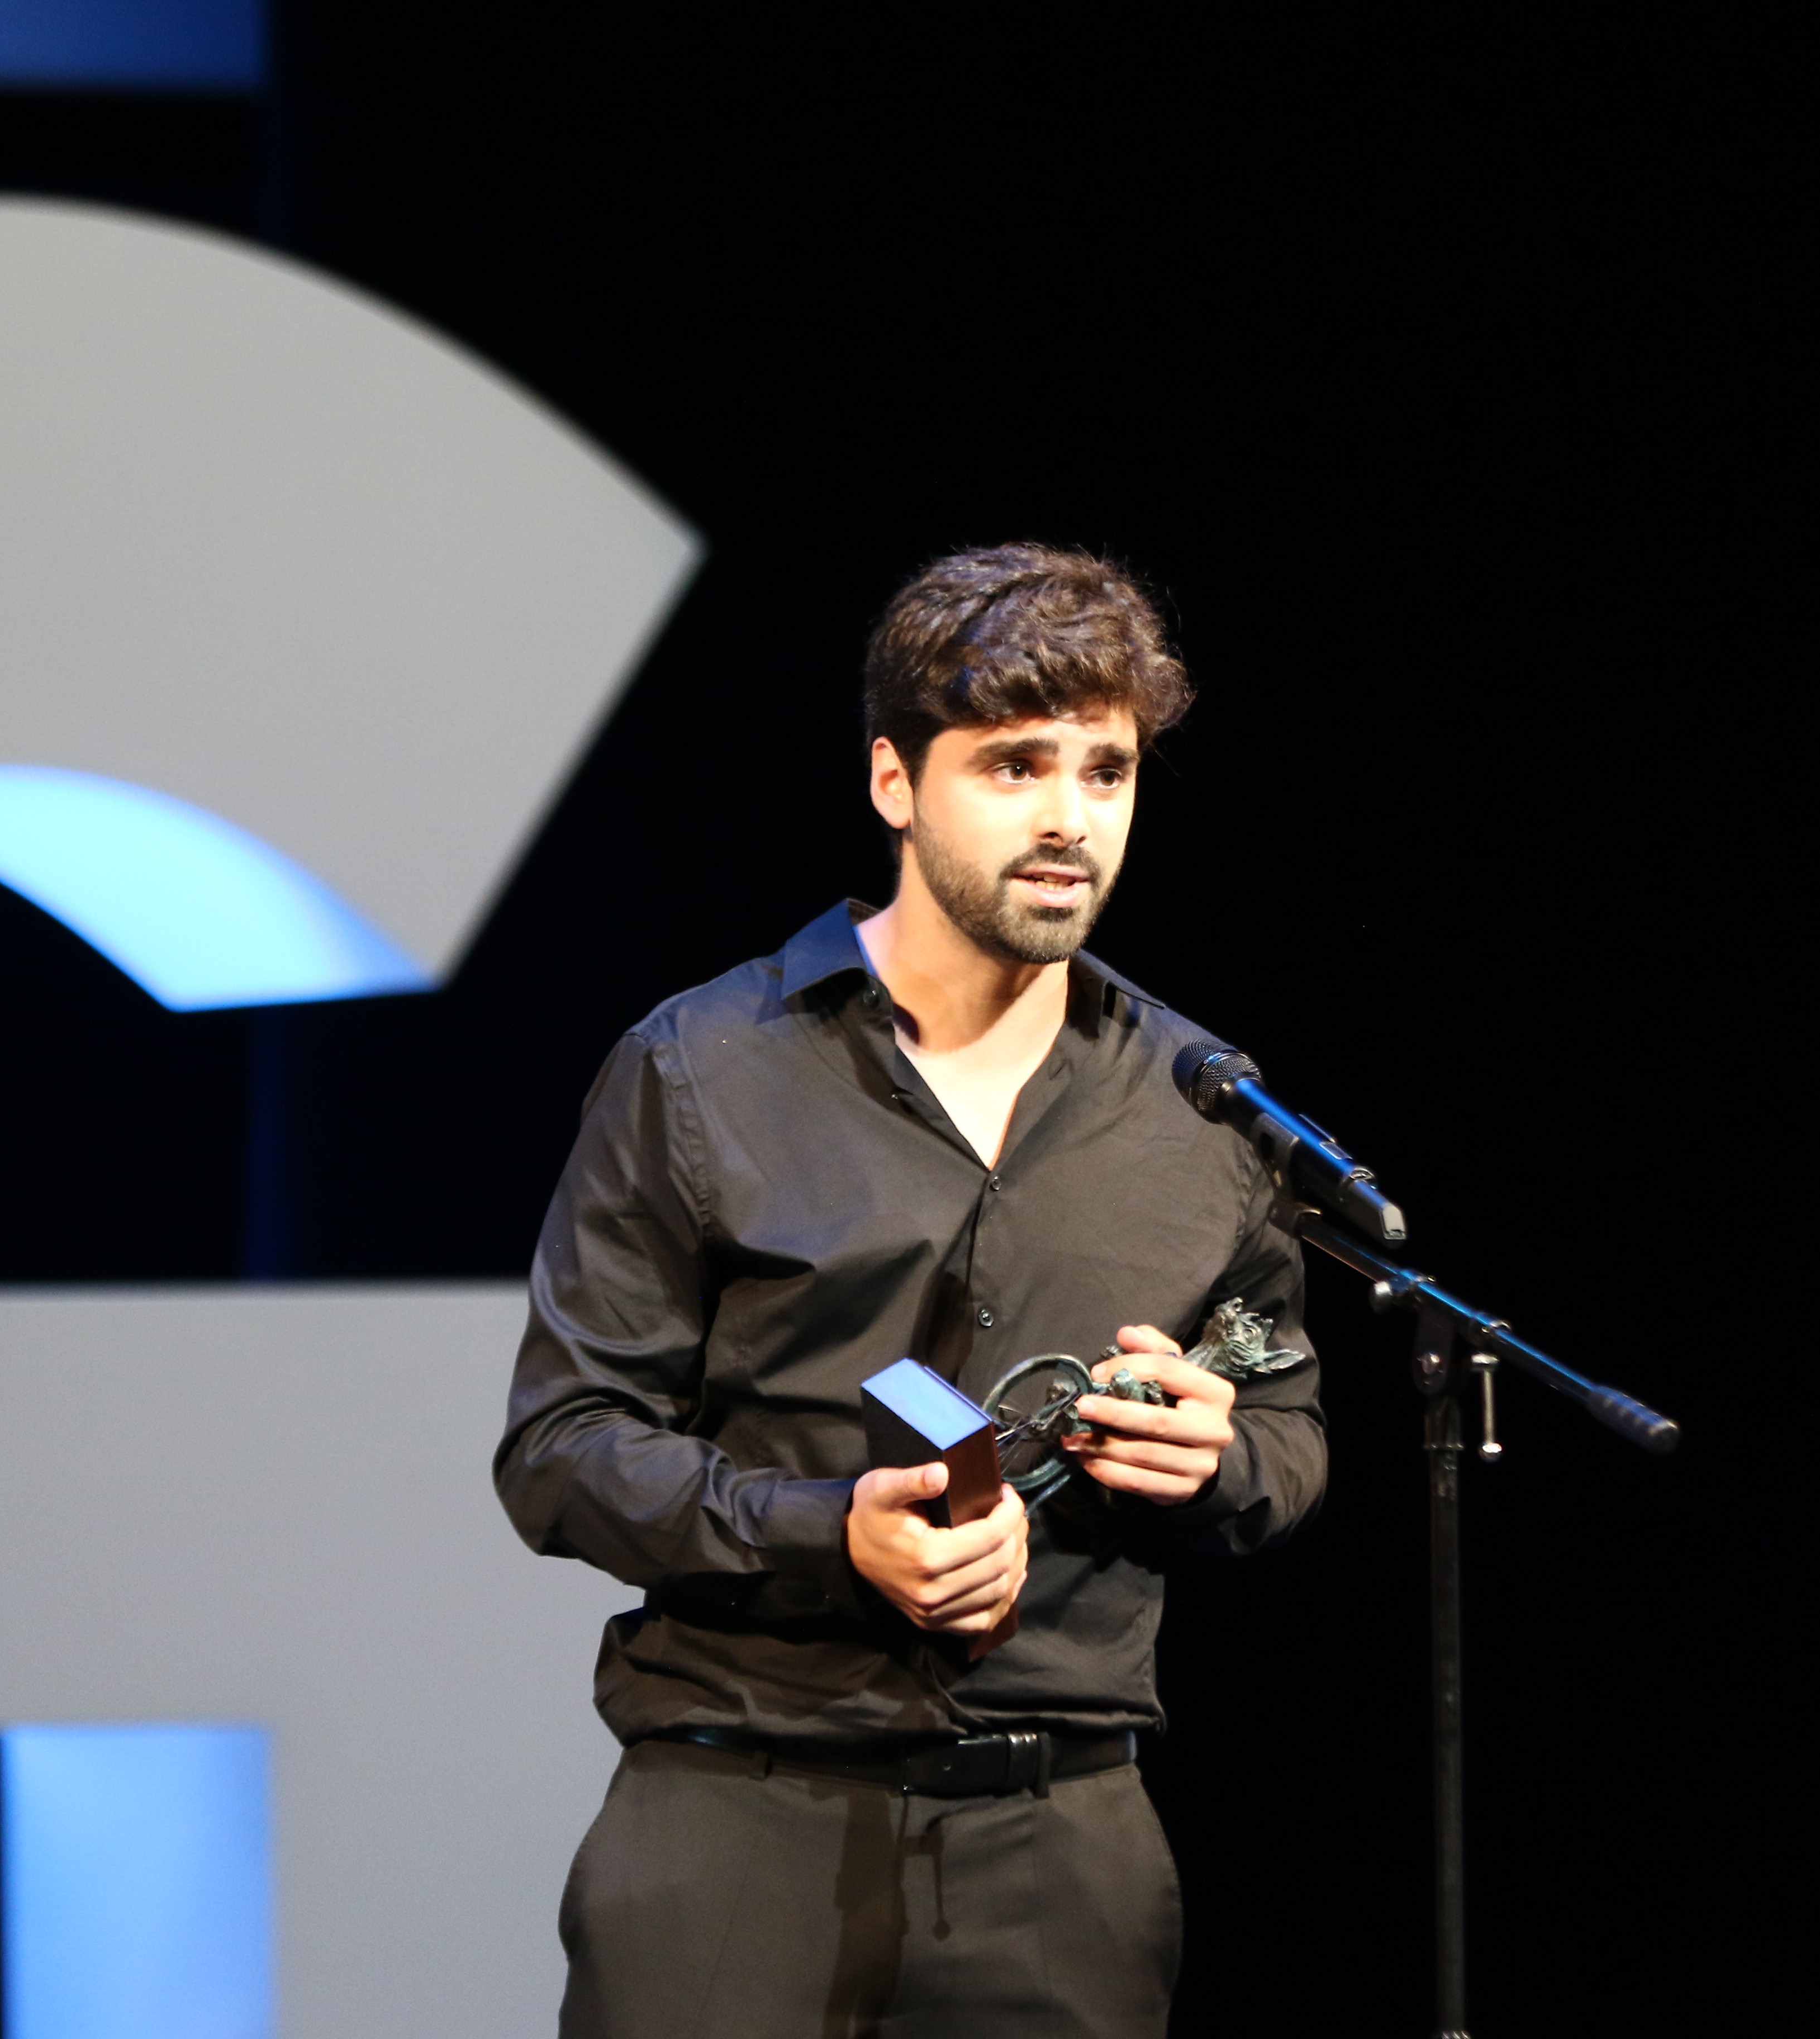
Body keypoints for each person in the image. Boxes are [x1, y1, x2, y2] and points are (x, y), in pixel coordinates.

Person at [497, 542, 1326, 2037]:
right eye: (1015, 766)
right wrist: (831, 1533)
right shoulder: (703, 1069)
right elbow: (562, 1450)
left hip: (1060, 1847)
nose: (1070, 817)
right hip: (741, 1818)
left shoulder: (1204, 1107)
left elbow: (1285, 1437)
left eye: (1107, 771)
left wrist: (1217, 1459)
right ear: (896, 781)